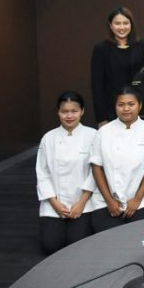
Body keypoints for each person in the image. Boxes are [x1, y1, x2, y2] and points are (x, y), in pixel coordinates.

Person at [89, 87, 144, 233]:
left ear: (139, 106)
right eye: (121, 105)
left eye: (131, 104)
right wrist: (109, 200)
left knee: (141, 237)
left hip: (143, 199)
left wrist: (137, 200)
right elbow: (96, 167)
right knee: (108, 239)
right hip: (107, 200)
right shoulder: (104, 131)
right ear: (115, 106)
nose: (126, 109)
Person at [36, 91, 95, 254]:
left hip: (84, 202)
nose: (69, 116)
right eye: (64, 111)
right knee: (50, 246)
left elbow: (96, 172)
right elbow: (42, 172)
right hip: (54, 202)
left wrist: (81, 202)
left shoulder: (93, 135)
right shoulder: (49, 138)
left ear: (82, 111)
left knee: (77, 245)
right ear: (58, 112)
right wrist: (54, 202)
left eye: (74, 111)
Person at [91, 7, 144, 126]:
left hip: (140, 109)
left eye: (125, 23)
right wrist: (101, 118)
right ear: (111, 25)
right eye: (117, 23)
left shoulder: (142, 46)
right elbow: (97, 86)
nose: (122, 27)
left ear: (131, 24)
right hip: (111, 111)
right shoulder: (101, 49)